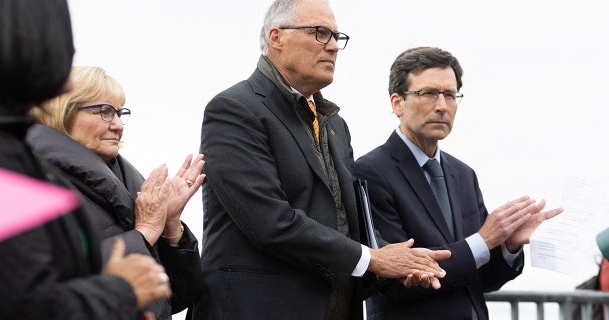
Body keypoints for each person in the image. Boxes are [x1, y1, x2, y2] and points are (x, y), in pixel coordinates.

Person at [190, 1, 451, 319]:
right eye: (319, 33)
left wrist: (397, 261)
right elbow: (271, 223)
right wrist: (373, 259)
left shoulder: (334, 125)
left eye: (336, 37)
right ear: (276, 37)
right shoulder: (234, 109)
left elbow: (345, 222)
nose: (332, 47)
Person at [0, 0, 173, 319]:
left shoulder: (7, 148)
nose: (73, 50)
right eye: (59, 36)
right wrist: (121, 290)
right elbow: (26, 307)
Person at [354, 46, 563, 319]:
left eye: (450, 95)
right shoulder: (370, 171)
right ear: (397, 103)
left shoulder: (463, 174)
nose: (442, 106)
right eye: (428, 93)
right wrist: (484, 239)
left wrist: (508, 245)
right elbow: (394, 282)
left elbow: (482, 279)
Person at [27, 66, 204, 319]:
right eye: (105, 112)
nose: (119, 126)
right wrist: (143, 233)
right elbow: (52, 286)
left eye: (120, 113)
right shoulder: (35, 180)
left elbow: (176, 296)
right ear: (63, 111)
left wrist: (169, 227)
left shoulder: (126, 184)